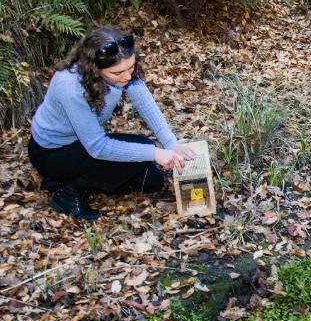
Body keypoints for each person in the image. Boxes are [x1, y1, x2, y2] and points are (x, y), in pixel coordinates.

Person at [28, 26, 196, 221]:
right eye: (117, 73)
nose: (126, 76)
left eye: (131, 68)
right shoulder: (70, 85)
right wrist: (155, 153)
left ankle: (72, 178)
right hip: (52, 153)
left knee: (153, 180)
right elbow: (98, 146)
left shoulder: (122, 66)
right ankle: (68, 194)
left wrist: (171, 144)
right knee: (145, 149)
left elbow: (145, 103)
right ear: (95, 68)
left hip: (81, 144)